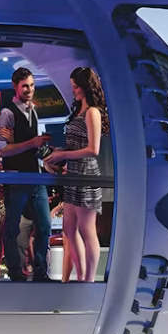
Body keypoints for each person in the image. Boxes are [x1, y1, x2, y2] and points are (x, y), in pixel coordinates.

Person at [45, 66, 109, 282]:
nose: (73, 90)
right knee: (69, 229)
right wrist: (57, 154)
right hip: (72, 174)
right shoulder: (79, 112)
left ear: (85, 87)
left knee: (87, 230)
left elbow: (93, 149)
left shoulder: (92, 112)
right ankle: (81, 275)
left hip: (86, 175)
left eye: (76, 87)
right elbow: (76, 146)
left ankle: (88, 279)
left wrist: (63, 154)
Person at [0, 67, 53, 282]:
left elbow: (29, 147)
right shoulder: (7, 113)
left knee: (45, 226)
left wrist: (45, 153)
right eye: (25, 86)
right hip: (16, 178)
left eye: (32, 85)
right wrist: (31, 142)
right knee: (12, 228)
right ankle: (15, 271)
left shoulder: (33, 110)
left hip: (35, 177)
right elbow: (1, 150)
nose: (30, 90)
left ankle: (40, 271)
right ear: (15, 87)